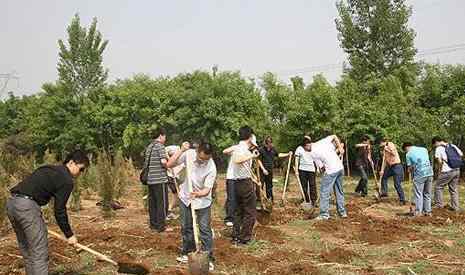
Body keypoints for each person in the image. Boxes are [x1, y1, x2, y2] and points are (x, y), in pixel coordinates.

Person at [6, 150, 89, 275]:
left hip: (12, 204)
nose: (80, 174)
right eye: (81, 169)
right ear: (71, 163)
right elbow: (59, 210)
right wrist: (69, 234)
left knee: (28, 250)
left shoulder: (48, 168)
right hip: (27, 207)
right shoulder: (66, 180)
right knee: (39, 252)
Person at [167, 141, 217, 271]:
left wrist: (198, 194)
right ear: (197, 152)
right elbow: (169, 164)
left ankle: (208, 257)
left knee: (205, 229)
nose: (203, 161)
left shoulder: (211, 167)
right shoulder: (188, 155)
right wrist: (181, 150)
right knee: (186, 226)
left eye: (206, 159)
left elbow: (207, 190)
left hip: (202, 200)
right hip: (186, 197)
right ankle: (187, 252)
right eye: (201, 158)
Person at [230, 126, 259, 245]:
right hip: (243, 183)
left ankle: (236, 235)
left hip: (239, 182)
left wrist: (254, 178)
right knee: (250, 211)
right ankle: (244, 237)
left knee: (239, 210)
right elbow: (236, 160)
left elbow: (243, 167)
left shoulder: (241, 148)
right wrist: (252, 156)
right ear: (250, 137)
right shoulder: (242, 149)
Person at [309, 135, 347, 220]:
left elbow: (322, 168)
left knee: (324, 192)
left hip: (331, 170)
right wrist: (340, 147)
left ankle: (324, 214)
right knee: (339, 191)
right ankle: (342, 213)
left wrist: (324, 174)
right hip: (340, 168)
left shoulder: (312, 153)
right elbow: (334, 136)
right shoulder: (324, 142)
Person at [144, 127, 170, 232]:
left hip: (150, 179)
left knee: (153, 203)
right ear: (161, 135)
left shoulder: (149, 147)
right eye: (165, 136)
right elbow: (164, 162)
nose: (165, 138)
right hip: (160, 179)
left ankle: (153, 225)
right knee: (162, 204)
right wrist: (170, 165)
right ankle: (161, 227)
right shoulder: (160, 146)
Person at [432, 136, 464, 211]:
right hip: (457, 170)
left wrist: (439, 171)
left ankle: (439, 205)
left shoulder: (438, 148)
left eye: (434, 144)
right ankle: (455, 207)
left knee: (438, 186)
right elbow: (461, 154)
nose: (434, 146)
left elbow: (439, 161)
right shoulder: (452, 145)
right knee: (454, 189)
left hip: (447, 171)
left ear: (436, 142)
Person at [403, 143, 434, 216]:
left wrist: (409, 170)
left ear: (406, 148)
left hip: (420, 175)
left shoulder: (408, 154)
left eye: (405, 150)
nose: (406, 152)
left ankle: (418, 212)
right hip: (429, 173)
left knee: (418, 194)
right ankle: (428, 211)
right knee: (427, 194)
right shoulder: (424, 149)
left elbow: (410, 167)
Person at [258, 136, 291, 202]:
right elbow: (258, 160)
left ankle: (269, 199)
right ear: (265, 143)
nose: (268, 146)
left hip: (270, 170)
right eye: (267, 144)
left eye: (270, 144)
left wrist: (288, 154)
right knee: (260, 185)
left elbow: (279, 155)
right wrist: (263, 169)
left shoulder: (273, 149)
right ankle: (259, 200)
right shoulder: (261, 149)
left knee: (269, 185)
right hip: (262, 171)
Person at [380, 138, 406, 205]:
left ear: (384, 142)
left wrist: (387, 149)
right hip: (391, 167)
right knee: (384, 177)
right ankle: (384, 192)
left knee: (396, 184)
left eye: (381, 143)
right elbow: (384, 161)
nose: (380, 145)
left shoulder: (390, 144)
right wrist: (382, 170)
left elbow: (394, 153)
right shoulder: (384, 150)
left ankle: (402, 200)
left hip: (397, 166)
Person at [294, 137, 317, 206]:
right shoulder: (299, 149)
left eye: (310, 145)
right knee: (304, 185)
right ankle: (306, 200)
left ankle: (313, 201)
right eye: (307, 146)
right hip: (302, 169)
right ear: (304, 146)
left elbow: (316, 158)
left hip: (311, 169)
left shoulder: (313, 148)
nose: (309, 147)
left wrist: (318, 168)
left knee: (312, 185)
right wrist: (296, 170)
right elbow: (296, 159)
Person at [165, 145, 185, 220]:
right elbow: (164, 150)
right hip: (171, 177)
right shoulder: (175, 148)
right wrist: (168, 158)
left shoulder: (183, 155)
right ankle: (168, 211)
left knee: (178, 196)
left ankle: (170, 210)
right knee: (176, 196)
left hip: (175, 177)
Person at [222, 144, 239, 227]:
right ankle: (229, 218)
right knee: (232, 198)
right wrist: (236, 148)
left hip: (241, 178)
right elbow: (225, 151)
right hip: (232, 177)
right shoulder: (238, 148)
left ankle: (237, 216)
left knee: (238, 198)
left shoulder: (249, 153)